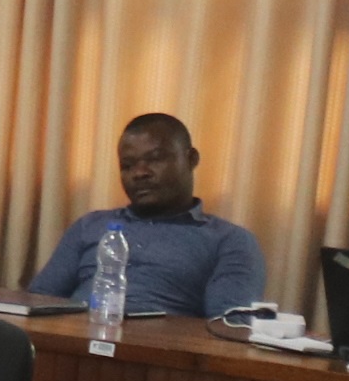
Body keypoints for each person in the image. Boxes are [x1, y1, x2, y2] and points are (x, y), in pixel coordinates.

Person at [25, 112, 266, 318]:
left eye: (155, 159)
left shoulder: (229, 241)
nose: (139, 173)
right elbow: (39, 302)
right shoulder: (90, 225)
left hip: (159, 362)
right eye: (127, 165)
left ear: (191, 159)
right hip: (74, 348)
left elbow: (228, 327)